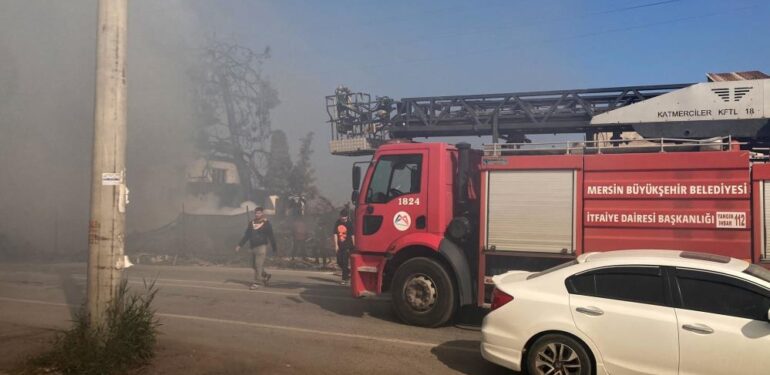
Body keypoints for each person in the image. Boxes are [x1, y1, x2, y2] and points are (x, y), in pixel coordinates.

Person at [235, 206, 277, 289]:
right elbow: (247, 235)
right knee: (255, 266)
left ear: (262, 213)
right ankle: (266, 275)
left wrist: (274, 247)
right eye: (256, 213)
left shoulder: (266, 223)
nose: (257, 214)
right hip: (253, 247)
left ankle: (257, 282)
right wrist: (239, 245)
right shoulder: (251, 223)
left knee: (258, 265)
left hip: (262, 247)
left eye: (259, 213)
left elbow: (271, 236)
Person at [333, 208, 354, 285]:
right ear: (340, 216)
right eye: (342, 218)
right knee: (339, 261)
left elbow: (352, 235)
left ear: (347, 217)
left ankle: (345, 279)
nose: (343, 220)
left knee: (345, 262)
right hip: (340, 245)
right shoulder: (337, 222)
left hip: (348, 245)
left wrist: (354, 246)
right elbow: (335, 234)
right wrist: (336, 245)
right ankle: (347, 272)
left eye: (344, 219)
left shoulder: (350, 224)